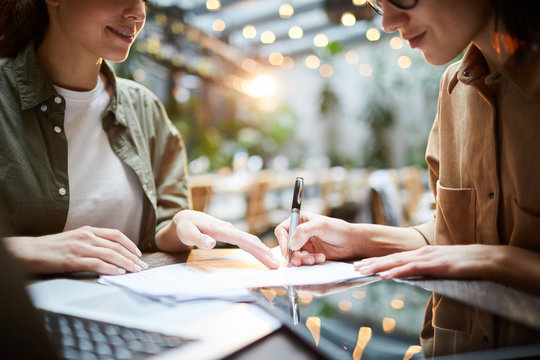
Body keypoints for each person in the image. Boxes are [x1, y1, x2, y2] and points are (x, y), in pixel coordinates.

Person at [275, 0, 540, 356]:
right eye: (376, 2)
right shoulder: (453, 88)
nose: (387, 21)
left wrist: (499, 261)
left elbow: (471, 253)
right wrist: (354, 238)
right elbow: (451, 239)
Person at [0, 0, 280, 276]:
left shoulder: (144, 109)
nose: (137, 13)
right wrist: (34, 250)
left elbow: (161, 228)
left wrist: (180, 223)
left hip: (126, 313)